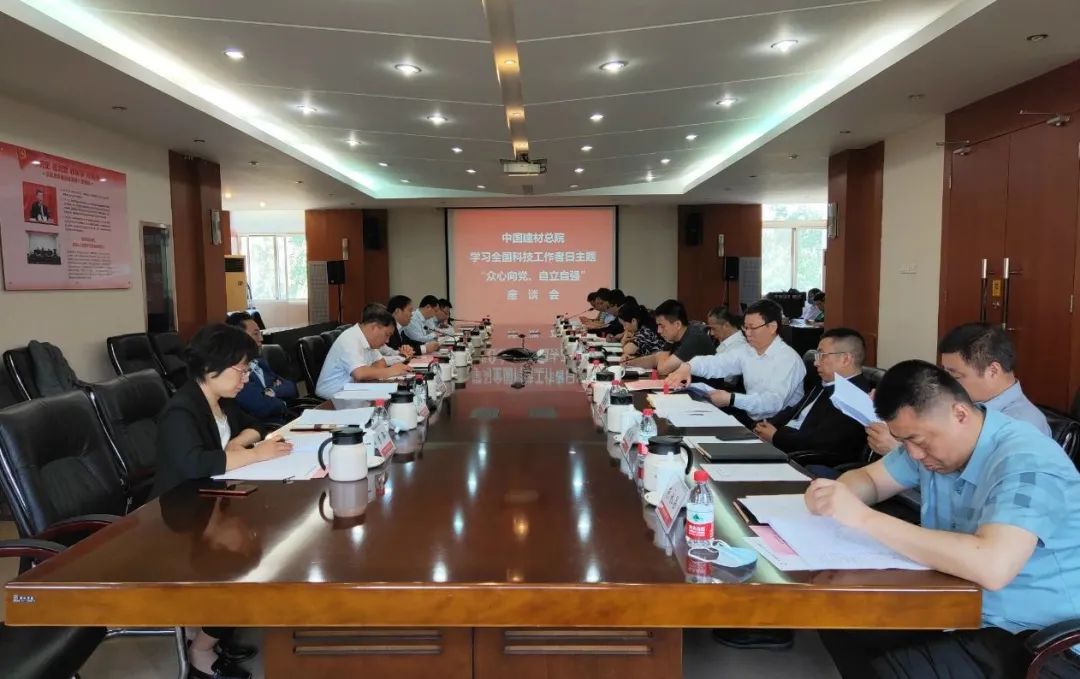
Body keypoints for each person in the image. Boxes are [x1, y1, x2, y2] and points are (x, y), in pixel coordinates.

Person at [813, 360, 1080, 679]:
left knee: (895, 670)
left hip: (1036, 636)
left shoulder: (1027, 460)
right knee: (841, 615)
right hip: (959, 603)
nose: (913, 454)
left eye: (919, 441)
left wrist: (864, 519)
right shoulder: (933, 448)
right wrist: (834, 494)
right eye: (904, 441)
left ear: (960, 414)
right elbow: (869, 480)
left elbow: (992, 566)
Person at [153, 323, 293, 679]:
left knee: (261, 543)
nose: (245, 379)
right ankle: (201, 649)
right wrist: (255, 455)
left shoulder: (221, 402)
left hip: (214, 499)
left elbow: (257, 424)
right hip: (181, 513)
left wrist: (238, 444)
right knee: (244, 565)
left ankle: (216, 633)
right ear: (209, 367)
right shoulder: (182, 410)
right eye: (240, 370)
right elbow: (194, 463)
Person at [867, 322, 1051, 455]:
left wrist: (899, 450)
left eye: (956, 376)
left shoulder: (1024, 425)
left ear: (993, 371)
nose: (948, 382)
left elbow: (968, 483)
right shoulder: (964, 403)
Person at [665, 299, 805, 422]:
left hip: (778, 426)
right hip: (753, 418)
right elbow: (717, 363)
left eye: (752, 328)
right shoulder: (748, 350)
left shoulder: (788, 359)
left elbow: (773, 403)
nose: (747, 333)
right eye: (745, 327)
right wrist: (688, 366)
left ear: (772, 327)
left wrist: (731, 399)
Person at [753, 328, 871, 455]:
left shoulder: (855, 397)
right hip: (784, 442)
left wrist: (776, 437)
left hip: (803, 458)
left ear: (845, 359)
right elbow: (795, 410)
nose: (816, 363)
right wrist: (768, 425)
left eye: (822, 355)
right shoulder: (827, 382)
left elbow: (822, 443)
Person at [315, 304, 411, 398]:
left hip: (353, 391)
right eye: (387, 334)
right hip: (330, 398)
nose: (387, 341)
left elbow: (381, 363)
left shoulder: (369, 341)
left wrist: (369, 372)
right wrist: (390, 371)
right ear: (374, 327)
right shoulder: (350, 337)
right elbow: (360, 374)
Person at [224, 312, 299, 425]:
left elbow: (292, 388)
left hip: (284, 421)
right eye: (256, 334)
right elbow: (262, 406)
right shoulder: (235, 371)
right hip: (264, 428)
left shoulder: (259, 363)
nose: (261, 338)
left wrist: (272, 391)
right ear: (239, 338)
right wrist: (283, 403)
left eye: (260, 333)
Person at [624, 299, 713, 376]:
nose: (659, 331)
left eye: (662, 326)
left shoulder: (694, 339)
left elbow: (663, 369)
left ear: (677, 324)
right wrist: (630, 362)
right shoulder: (677, 336)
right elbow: (655, 359)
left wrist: (663, 353)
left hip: (704, 389)